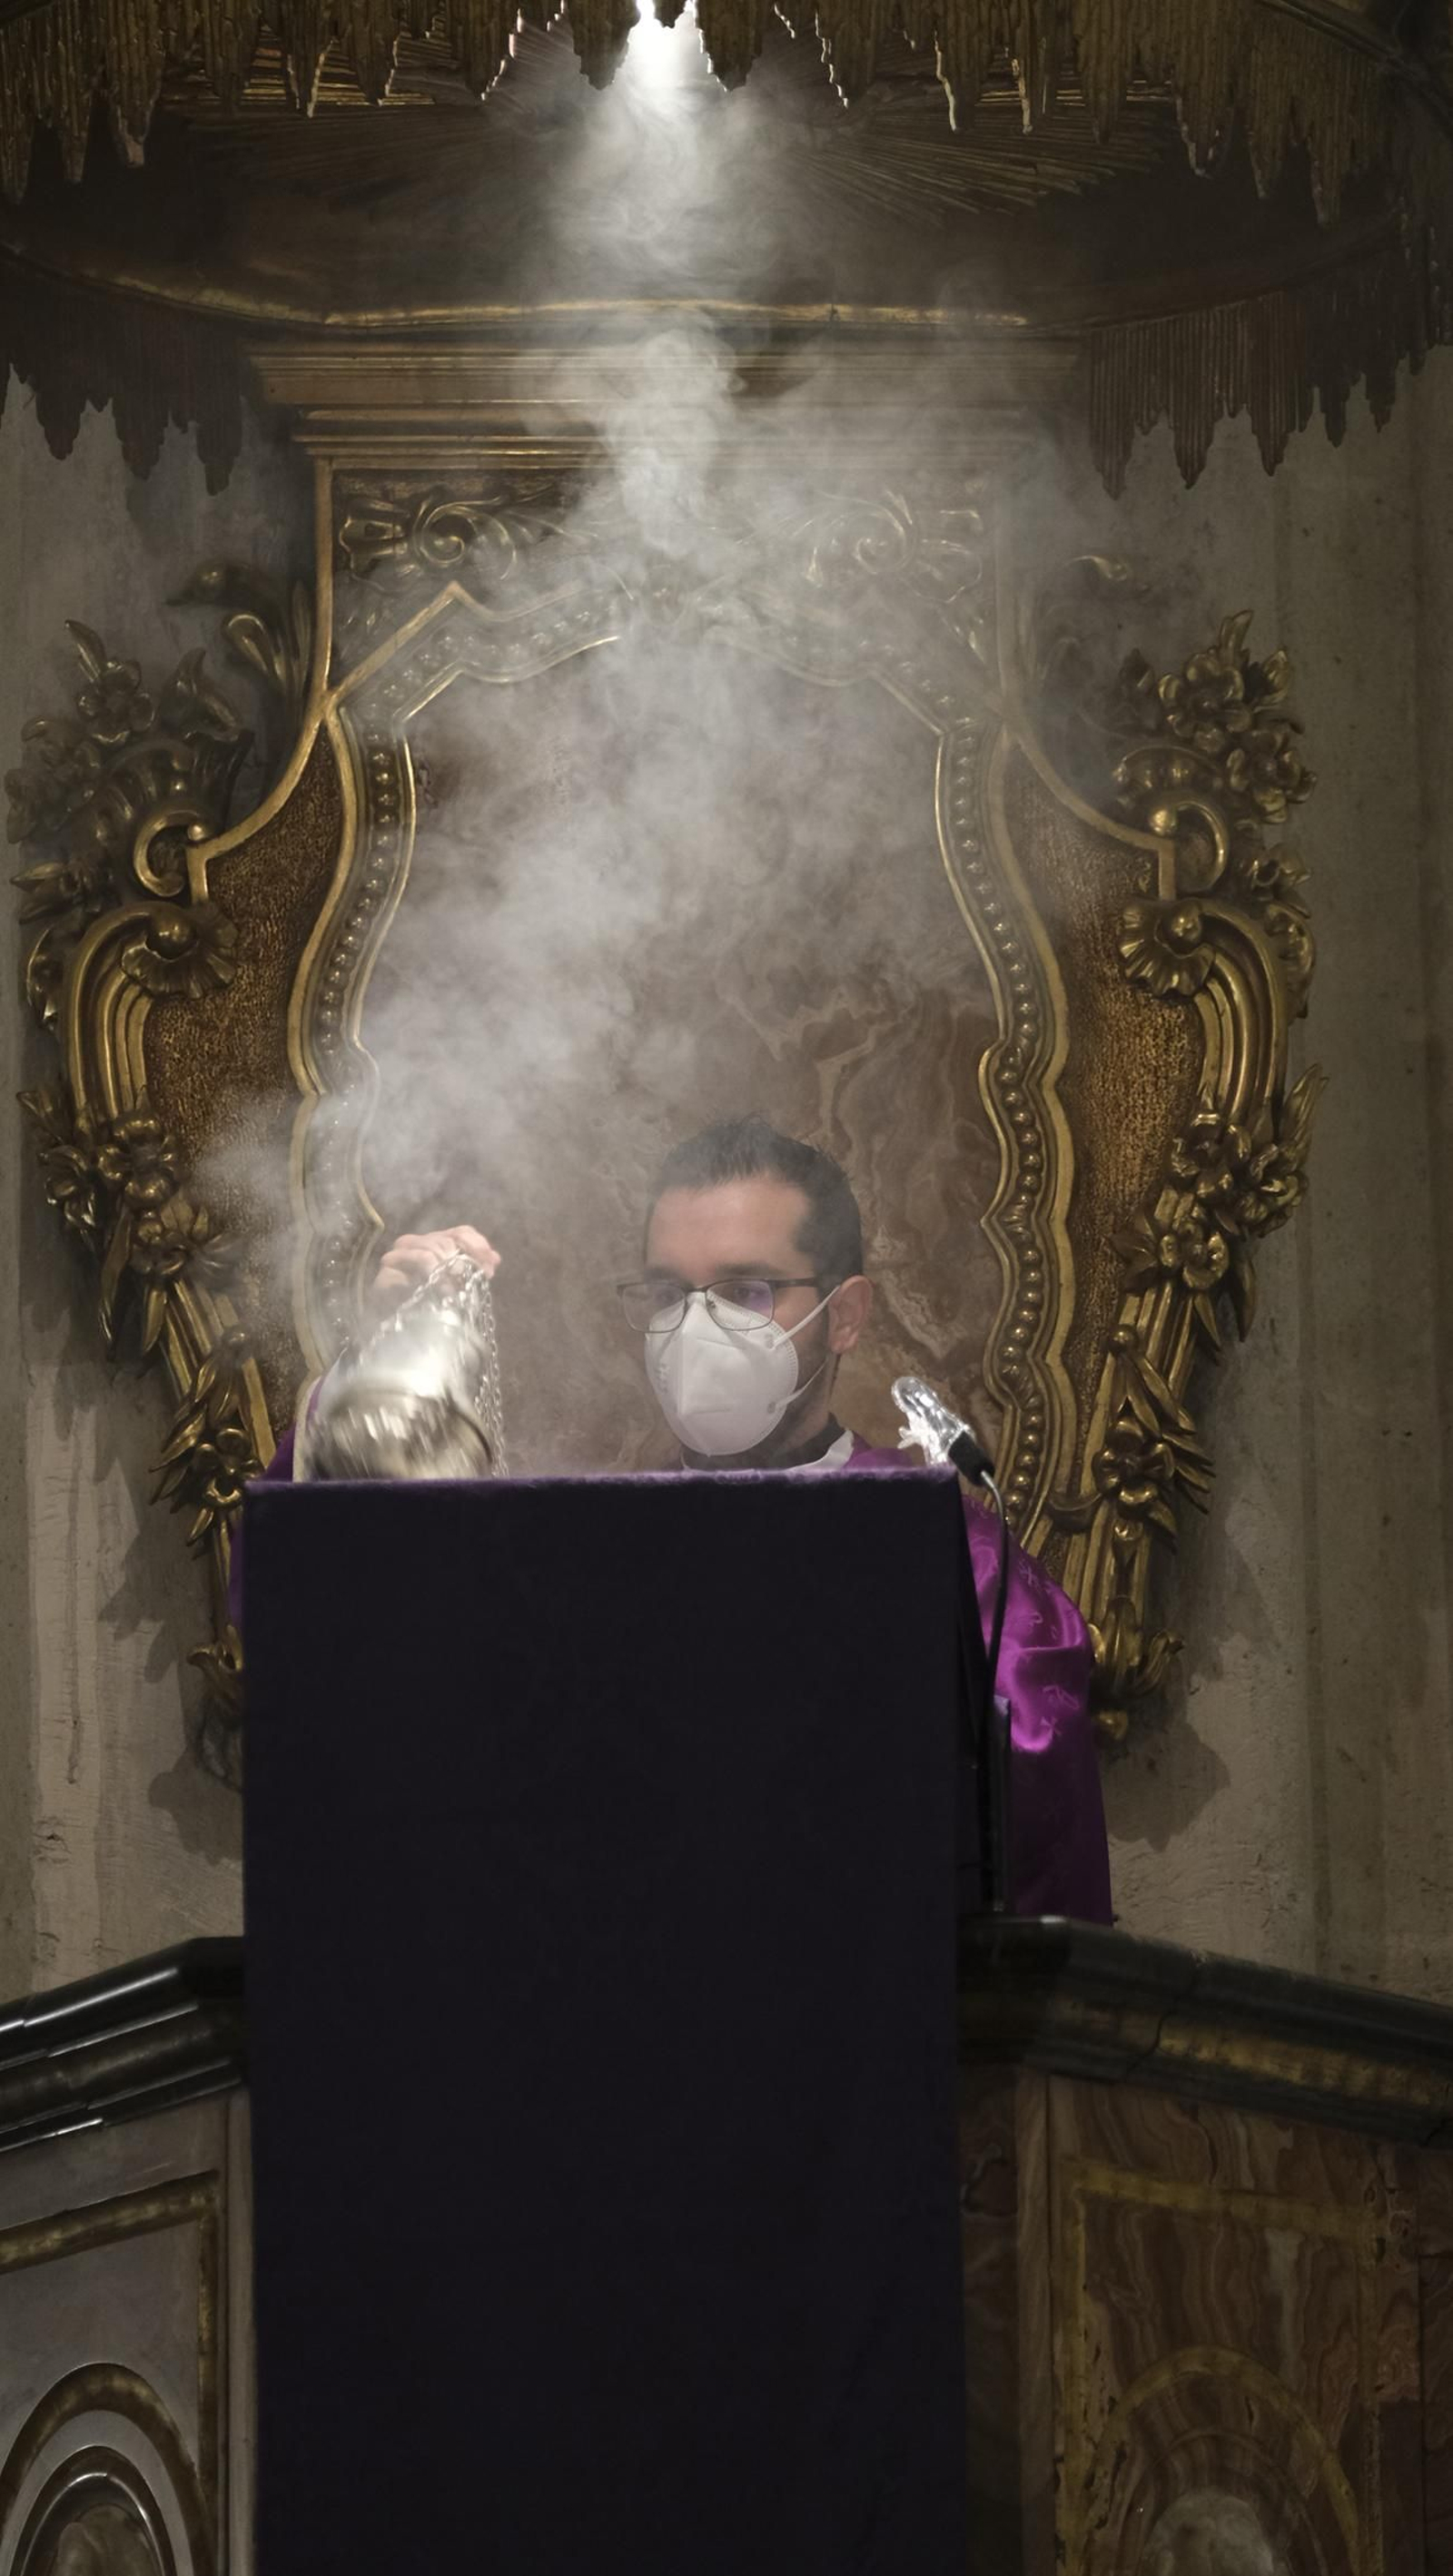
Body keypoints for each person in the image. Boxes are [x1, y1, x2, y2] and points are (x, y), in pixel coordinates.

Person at [244, 1114, 1112, 1922]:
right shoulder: (583, 1548)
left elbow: (1035, 1822)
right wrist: (381, 1368)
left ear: (845, 1316)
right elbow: (321, 1630)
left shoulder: (952, 1553)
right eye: (668, 1293)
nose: (695, 1326)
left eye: (745, 1289)